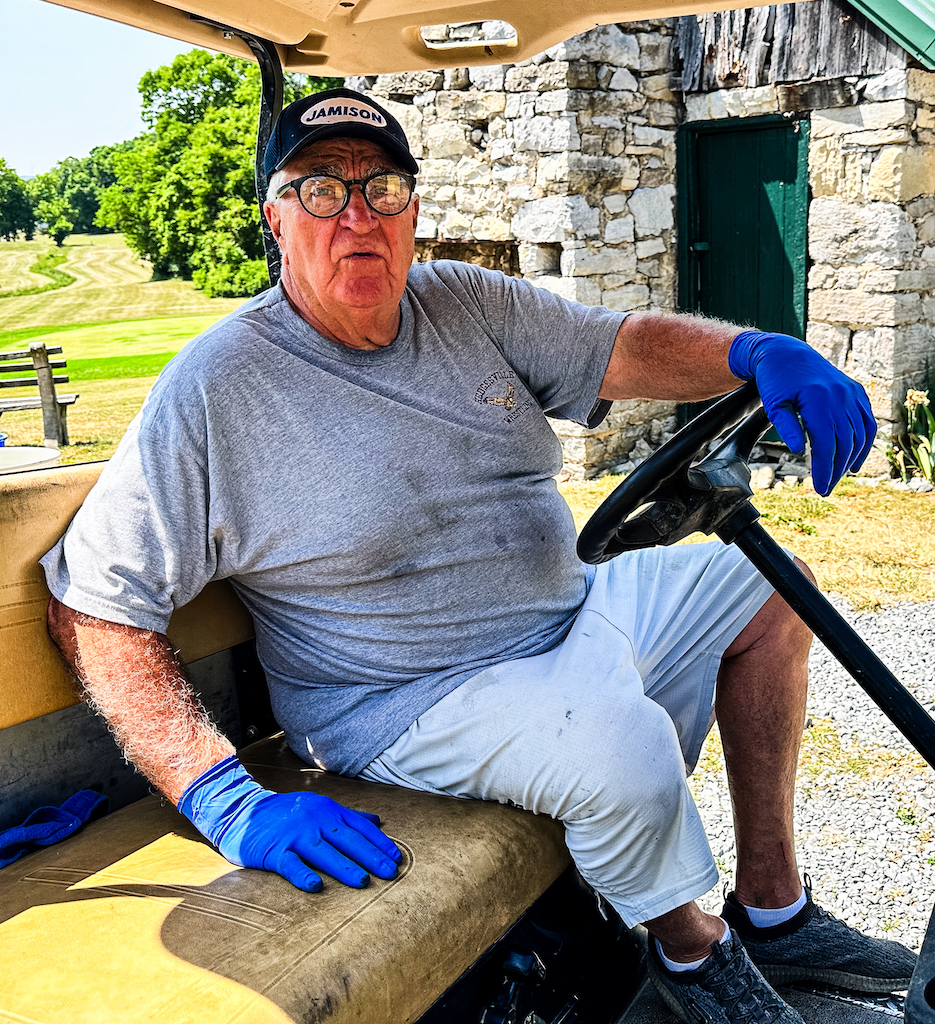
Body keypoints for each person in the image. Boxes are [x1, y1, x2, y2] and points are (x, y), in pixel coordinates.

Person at [42, 86, 914, 1023]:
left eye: (381, 189)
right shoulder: (216, 389)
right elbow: (93, 602)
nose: (356, 217)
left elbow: (620, 346)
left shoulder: (463, 302)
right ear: (275, 217)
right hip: (398, 698)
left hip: (562, 612)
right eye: (320, 191)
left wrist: (758, 350)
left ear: (413, 210)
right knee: (618, 743)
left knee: (768, 589)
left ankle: (773, 911)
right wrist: (226, 800)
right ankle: (689, 958)